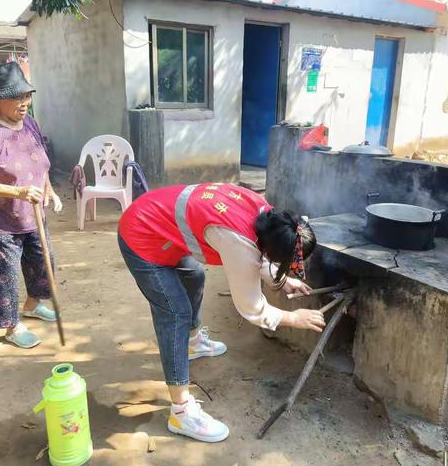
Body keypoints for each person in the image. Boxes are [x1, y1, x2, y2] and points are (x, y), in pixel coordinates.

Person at [118, 182, 325, 443]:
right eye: (287, 263)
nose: (291, 267)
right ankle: (181, 412)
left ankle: (192, 344)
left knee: (194, 275)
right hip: (141, 236)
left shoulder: (269, 218)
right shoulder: (237, 240)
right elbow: (251, 307)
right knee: (175, 313)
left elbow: (257, 253)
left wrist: (282, 279)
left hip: (159, 224)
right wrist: (292, 318)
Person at [0, 62, 62, 349]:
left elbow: (41, 162)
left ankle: (33, 305)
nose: (25, 103)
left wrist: (49, 190)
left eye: (27, 96)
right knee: (5, 276)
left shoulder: (30, 122)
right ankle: (12, 326)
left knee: (41, 265)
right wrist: (18, 191)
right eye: (18, 97)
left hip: (33, 214)